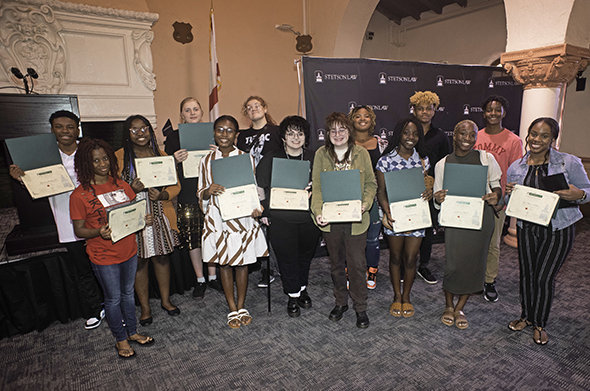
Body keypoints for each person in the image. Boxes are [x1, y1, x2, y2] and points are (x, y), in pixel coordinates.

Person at [9, 111, 104, 330]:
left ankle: (113, 303)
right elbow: (40, 186)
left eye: (70, 126)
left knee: (104, 263)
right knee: (82, 268)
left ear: (78, 129)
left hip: (95, 216)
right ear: (52, 130)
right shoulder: (44, 153)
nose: (65, 131)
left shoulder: (90, 150)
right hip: (66, 219)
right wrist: (22, 179)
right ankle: (94, 308)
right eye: (59, 127)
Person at [505, 117, 590, 345]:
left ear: (553, 138)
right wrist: (508, 193)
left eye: (544, 136)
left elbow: (588, 190)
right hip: (526, 227)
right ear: (528, 135)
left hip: (558, 227)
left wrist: (579, 195)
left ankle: (540, 323)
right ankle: (526, 316)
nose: (537, 139)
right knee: (527, 274)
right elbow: (508, 199)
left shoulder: (568, 163)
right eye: (534, 134)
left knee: (544, 277)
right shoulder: (517, 167)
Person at [70, 138, 154, 358]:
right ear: (86, 164)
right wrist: (99, 232)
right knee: (113, 299)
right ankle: (120, 339)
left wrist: (145, 218)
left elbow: (134, 212)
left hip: (129, 250)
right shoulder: (78, 195)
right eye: (95, 160)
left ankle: (133, 332)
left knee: (128, 295)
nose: (102, 163)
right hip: (103, 255)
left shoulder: (121, 185)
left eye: (105, 158)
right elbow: (79, 230)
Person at [198, 115, 268, 328]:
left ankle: (242, 304)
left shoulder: (246, 158)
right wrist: (207, 191)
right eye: (220, 129)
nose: (224, 134)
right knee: (225, 263)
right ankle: (232, 308)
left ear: (236, 135)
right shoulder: (206, 160)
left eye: (229, 130)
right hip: (218, 218)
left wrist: (256, 207)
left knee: (242, 263)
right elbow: (200, 192)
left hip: (242, 217)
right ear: (214, 132)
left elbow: (253, 188)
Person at [433, 120, 501, 329]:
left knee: (474, 263)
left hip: (480, 218)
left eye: (472, 135)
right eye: (463, 134)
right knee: (453, 263)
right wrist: (438, 198)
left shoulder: (486, 158)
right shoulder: (443, 163)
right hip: (455, 219)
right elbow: (436, 198)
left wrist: (495, 196)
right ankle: (447, 304)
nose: (467, 139)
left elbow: (497, 187)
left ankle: (460, 307)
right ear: (454, 135)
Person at [311, 112, 377, 329]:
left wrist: (365, 203)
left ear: (349, 132)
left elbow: (371, 184)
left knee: (357, 265)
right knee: (336, 264)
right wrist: (317, 211)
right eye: (333, 130)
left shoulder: (361, 153)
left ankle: (360, 307)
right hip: (330, 220)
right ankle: (341, 302)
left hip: (356, 219)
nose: (337, 134)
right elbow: (317, 187)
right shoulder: (321, 154)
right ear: (327, 134)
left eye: (342, 130)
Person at [116, 115, 181, 326]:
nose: (140, 133)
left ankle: (165, 300)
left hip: (160, 213)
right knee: (139, 262)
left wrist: (162, 195)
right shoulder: (118, 157)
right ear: (127, 134)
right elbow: (111, 190)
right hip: (134, 217)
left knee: (162, 258)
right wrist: (130, 190)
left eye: (144, 128)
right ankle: (145, 307)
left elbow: (175, 185)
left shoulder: (161, 154)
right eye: (134, 130)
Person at [256, 116, 321, 317]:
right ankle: (292, 295)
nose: (295, 137)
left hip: (309, 218)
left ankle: (302, 289)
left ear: (306, 137)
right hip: (281, 218)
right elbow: (260, 187)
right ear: (283, 136)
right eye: (291, 133)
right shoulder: (271, 157)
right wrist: (264, 211)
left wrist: (314, 190)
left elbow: (323, 184)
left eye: (300, 133)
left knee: (304, 258)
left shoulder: (314, 157)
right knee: (287, 259)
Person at [164, 97, 222, 299]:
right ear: (182, 114)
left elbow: (225, 165)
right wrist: (174, 160)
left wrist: (218, 155)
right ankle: (200, 279)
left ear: (201, 112)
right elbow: (165, 170)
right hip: (188, 194)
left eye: (195, 109)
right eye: (187, 110)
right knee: (192, 239)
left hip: (211, 192)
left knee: (212, 234)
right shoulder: (173, 137)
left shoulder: (214, 134)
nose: (192, 113)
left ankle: (213, 277)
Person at [376, 118, 432, 318]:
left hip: (417, 217)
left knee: (411, 259)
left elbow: (427, 187)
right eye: (407, 133)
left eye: (415, 134)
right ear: (399, 134)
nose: (411, 138)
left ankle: (407, 297)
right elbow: (381, 192)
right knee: (395, 257)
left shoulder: (424, 160)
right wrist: (386, 211)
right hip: (395, 217)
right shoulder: (385, 161)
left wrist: (430, 193)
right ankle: (396, 296)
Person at [474, 95, 523, 302]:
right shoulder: (475, 135)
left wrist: (504, 199)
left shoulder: (513, 140)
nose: (493, 113)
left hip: (497, 200)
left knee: (493, 243)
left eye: (497, 110)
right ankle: (473, 277)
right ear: (483, 113)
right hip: (473, 198)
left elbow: (516, 173)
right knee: (473, 242)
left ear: (503, 112)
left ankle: (489, 280)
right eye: (489, 110)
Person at [236, 96, 281, 288]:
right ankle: (265, 267)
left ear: (264, 108)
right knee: (258, 228)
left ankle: (276, 267)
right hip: (250, 186)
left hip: (272, 186)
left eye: (257, 106)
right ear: (246, 112)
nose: (253, 109)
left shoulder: (277, 131)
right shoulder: (241, 135)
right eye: (249, 107)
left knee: (272, 226)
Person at [410, 91, 452, 284]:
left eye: (429, 108)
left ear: (435, 110)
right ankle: (405, 265)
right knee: (408, 226)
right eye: (421, 108)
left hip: (430, 189)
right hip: (408, 187)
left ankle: (423, 265)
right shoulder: (407, 130)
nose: (425, 112)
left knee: (427, 229)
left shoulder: (441, 136)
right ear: (414, 110)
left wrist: (435, 186)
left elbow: (445, 163)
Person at [349, 105, 386, 290]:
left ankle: (372, 270)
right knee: (351, 237)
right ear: (352, 120)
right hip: (351, 197)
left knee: (372, 239)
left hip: (375, 197)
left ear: (371, 120)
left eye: (366, 116)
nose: (362, 119)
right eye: (357, 116)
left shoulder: (381, 143)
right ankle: (351, 270)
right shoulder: (345, 142)